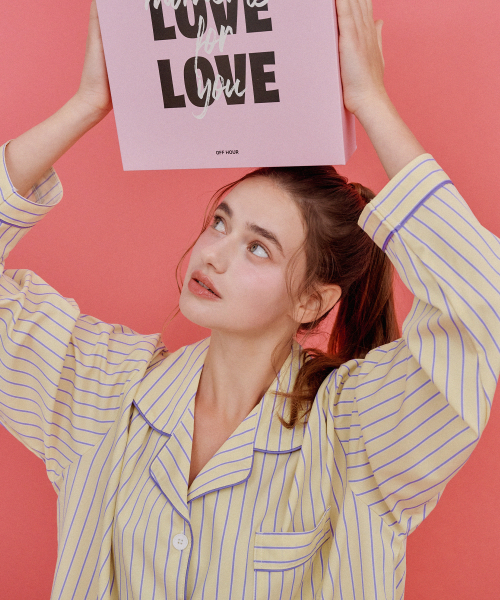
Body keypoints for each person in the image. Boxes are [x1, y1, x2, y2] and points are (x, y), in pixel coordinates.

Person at [1, 0, 498, 598]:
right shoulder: (103, 390)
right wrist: (87, 104)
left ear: (311, 301)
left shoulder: (358, 432)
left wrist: (372, 102)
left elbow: (481, 307)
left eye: (258, 248)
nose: (213, 254)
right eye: (220, 222)